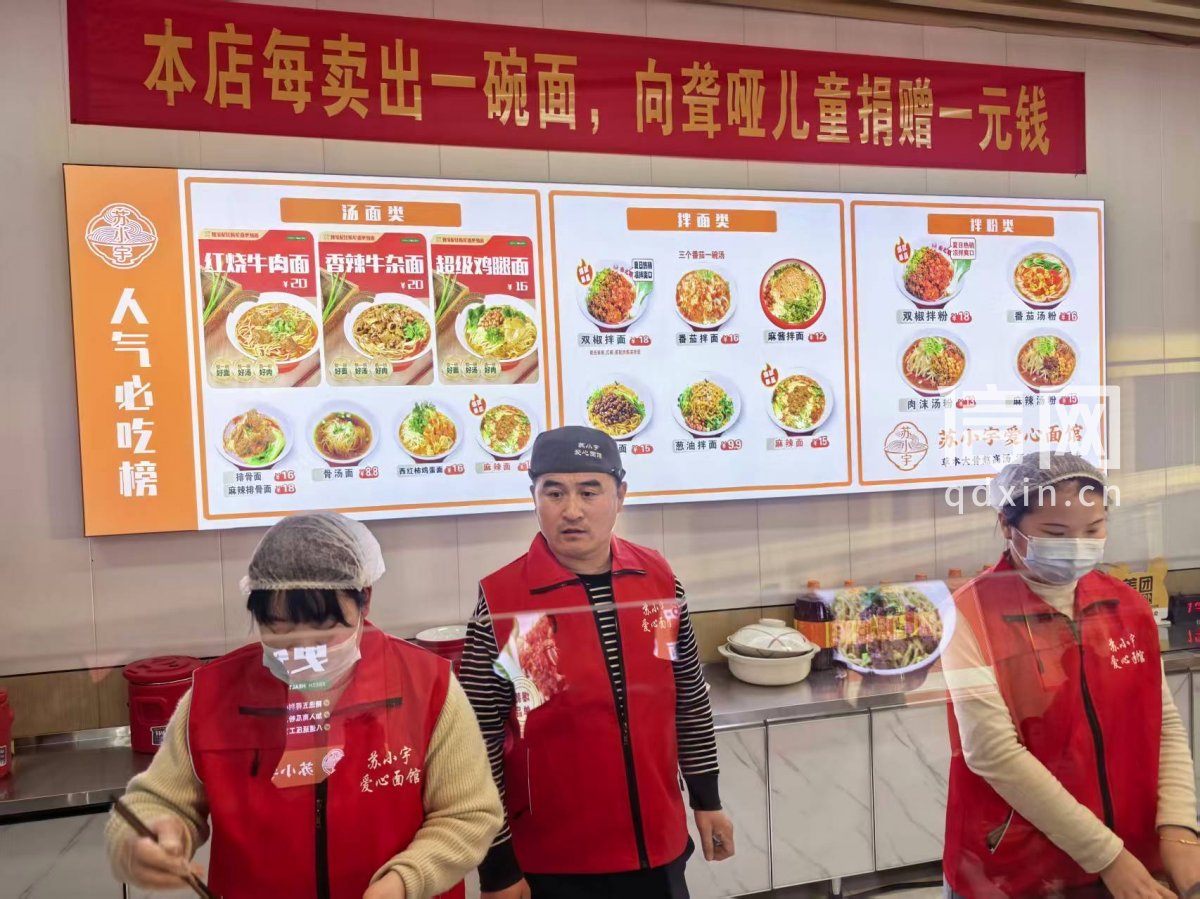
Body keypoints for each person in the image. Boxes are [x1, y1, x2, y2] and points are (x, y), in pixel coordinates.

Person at [106, 511, 503, 899]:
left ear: (364, 599)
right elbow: (156, 801)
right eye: (279, 631)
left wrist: (406, 880)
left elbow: (468, 813)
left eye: (324, 633)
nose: (302, 652)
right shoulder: (214, 696)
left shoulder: (425, 685)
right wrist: (146, 838)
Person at [460, 425, 734, 898]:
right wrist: (497, 865)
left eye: (589, 492)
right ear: (533, 497)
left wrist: (706, 799)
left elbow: (687, 696)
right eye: (554, 493)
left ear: (620, 495)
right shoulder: (510, 601)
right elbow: (478, 740)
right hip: (554, 860)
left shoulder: (656, 581)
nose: (572, 510)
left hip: (657, 844)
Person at [943, 452, 1200, 899]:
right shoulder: (970, 613)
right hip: (1017, 872)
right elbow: (992, 752)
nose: (1077, 545)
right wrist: (1107, 857)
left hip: (1131, 854)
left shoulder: (1126, 605)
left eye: (1093, 530)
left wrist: (1178, 828)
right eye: (1056, 534)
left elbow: (1162, 722)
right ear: (1007, 526)